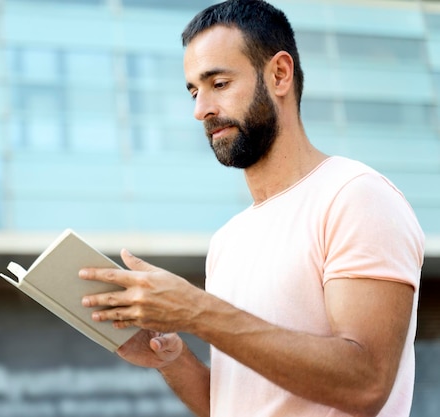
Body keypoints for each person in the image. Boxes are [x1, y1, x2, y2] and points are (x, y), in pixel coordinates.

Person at [78, 1, 425, 416]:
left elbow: (366, 383)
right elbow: (233, 404)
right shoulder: (228, 241)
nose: (200, 109)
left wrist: (198, 311)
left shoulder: (356, 197)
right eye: (193, 90)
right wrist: (172, 358)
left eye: (219, 83)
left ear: (279, 74)